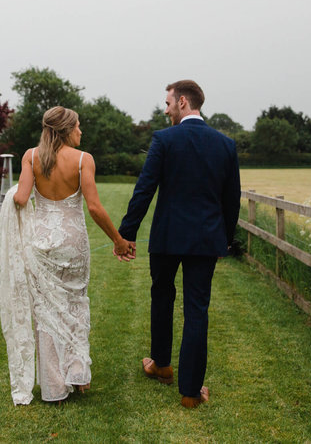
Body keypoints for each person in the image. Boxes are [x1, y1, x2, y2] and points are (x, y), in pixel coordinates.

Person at [117, 80, 241, 408]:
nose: (166, 109)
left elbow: (144, 189)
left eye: (169, 103)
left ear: (183, 102)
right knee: (197, 309)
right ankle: (190, 392)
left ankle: (161, 364)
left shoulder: (164, 139)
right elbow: (232, 200)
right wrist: (225, 240)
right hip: (205, 239)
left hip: (167, 237)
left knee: (162, 295)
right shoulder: (225, 145)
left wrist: (125, 233)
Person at [0, 106, 133, 405]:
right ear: (66, 129)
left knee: (46, 314)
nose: (81, 132)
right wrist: (118, 240)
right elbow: (95, 208)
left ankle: (54, 389)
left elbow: (20, 198)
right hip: (73, 243)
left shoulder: (31, 157)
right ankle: (78, 375)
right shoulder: (83, 160)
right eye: (78, 127)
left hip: (41, 245)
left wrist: (12, 198)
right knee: (74, 306)